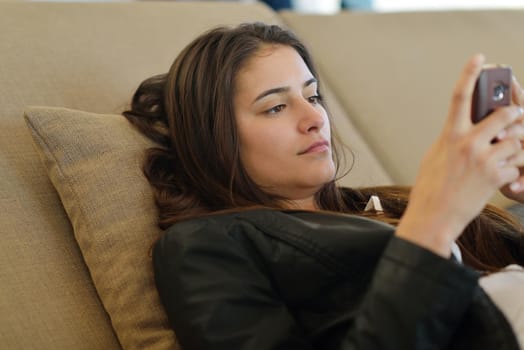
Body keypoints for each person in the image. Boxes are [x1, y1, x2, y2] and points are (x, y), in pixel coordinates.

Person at [123, 22, 524, 349]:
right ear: (215, 139)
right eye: (276, 107)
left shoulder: (381, 204)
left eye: (313, 96)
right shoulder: (204, 247)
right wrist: (433, 226)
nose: (315, 118)